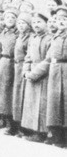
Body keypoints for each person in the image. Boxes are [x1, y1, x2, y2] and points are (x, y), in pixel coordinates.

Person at [21, 13, 52, 142]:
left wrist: (34, 74)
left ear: (46, 23)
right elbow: (28, 57)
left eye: (39, 22)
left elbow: (48, 60)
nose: (36, 25)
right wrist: (26, 70)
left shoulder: (50, 39)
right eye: (34, 23)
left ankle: (42, 133)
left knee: (42, 105)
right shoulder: (33, 38)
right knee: (31, 104)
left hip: (43, 76)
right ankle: (33, 130)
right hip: (31, 75)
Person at [0, 8, 20, 134]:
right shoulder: (2, 33)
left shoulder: (18, 34)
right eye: (7, 17)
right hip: (3, 63)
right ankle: (2, 117)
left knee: (9, 93)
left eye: (13, 18)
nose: (10, 20)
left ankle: (11, 123)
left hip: (12, 64)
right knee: (0, 91)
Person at [44, 6, 67, 146]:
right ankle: (56, 135)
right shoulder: (55, 36)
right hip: (55, 70)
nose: (61, 21)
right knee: (54, 104)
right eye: (59, 19)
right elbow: (49, 56)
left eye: (65, 19)